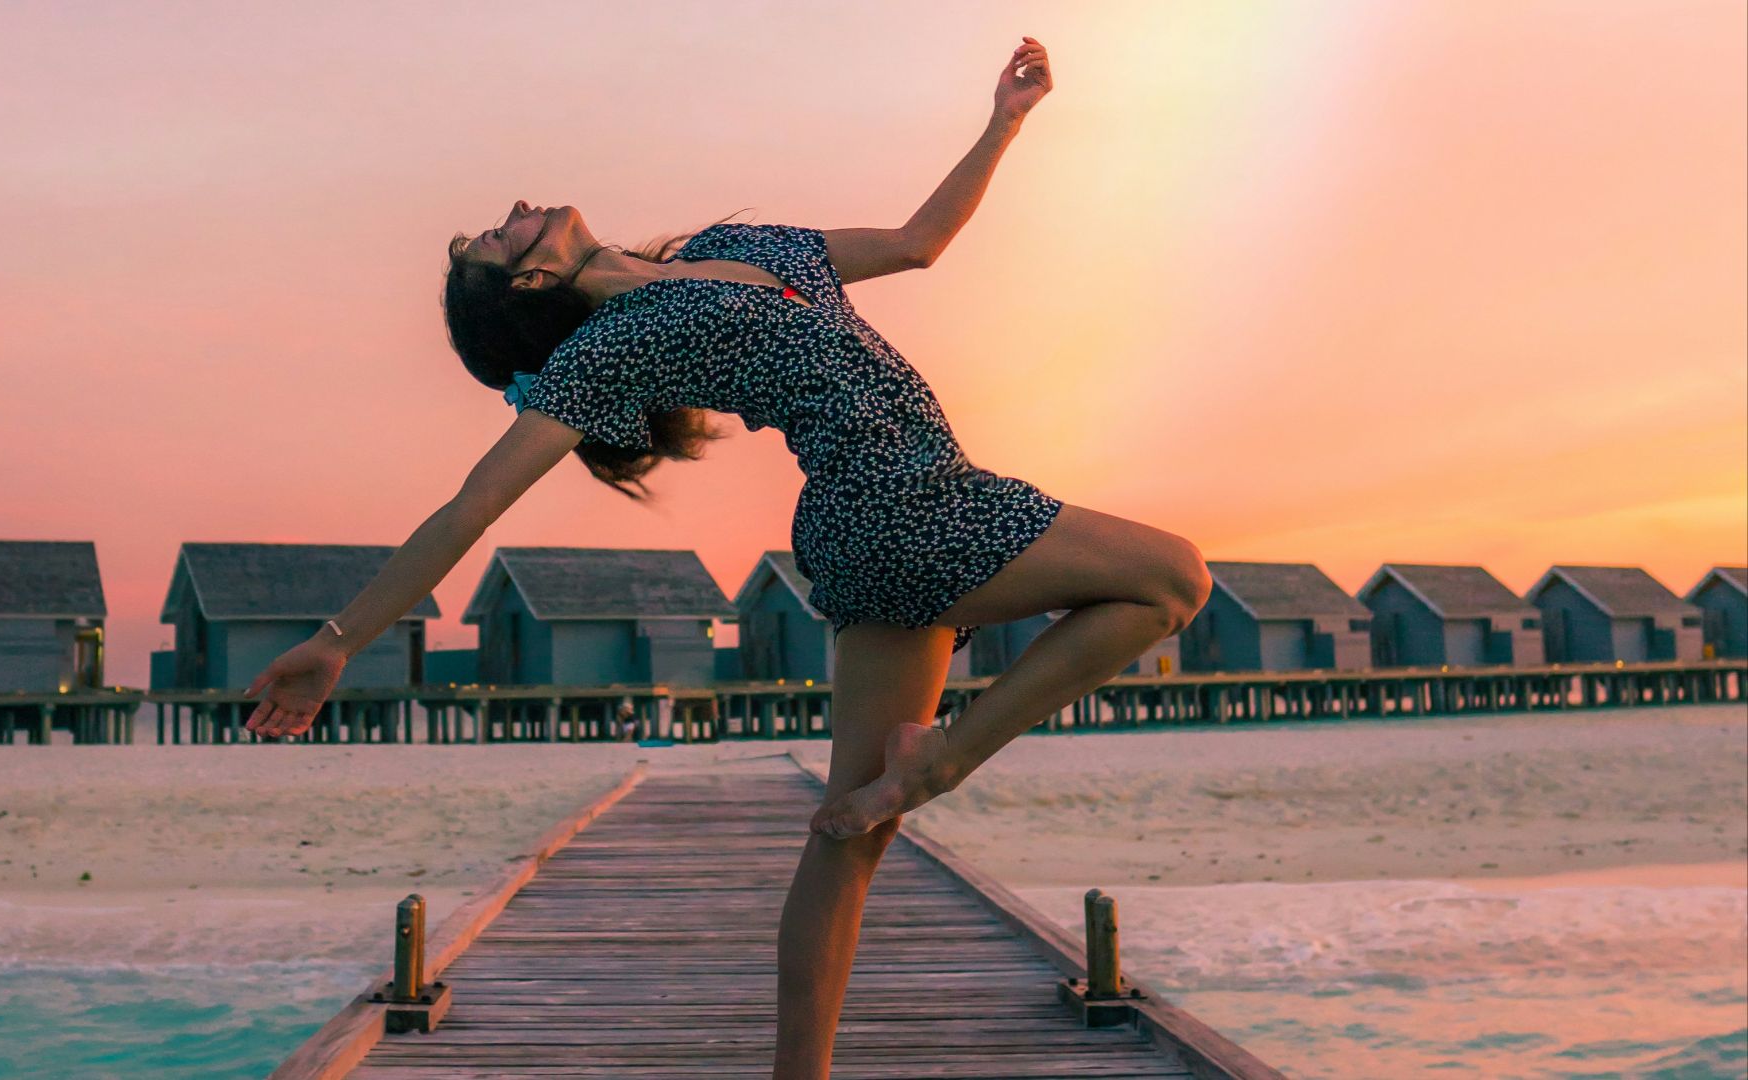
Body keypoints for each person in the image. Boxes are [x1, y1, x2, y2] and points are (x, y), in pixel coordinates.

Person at [241, 36, 1211, 1079]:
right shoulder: (609, 346)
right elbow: (473, 504)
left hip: (869, 526)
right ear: (533, 277)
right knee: (1173, 577)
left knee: (849, 837)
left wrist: (1005, 122)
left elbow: (919, 242)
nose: (516, 206)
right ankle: (943, 758)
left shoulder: (737, 244)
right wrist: (338, 641)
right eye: (500, 233)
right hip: (905, 503)